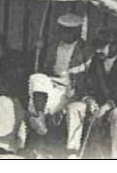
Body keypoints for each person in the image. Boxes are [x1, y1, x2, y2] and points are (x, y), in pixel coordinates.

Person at [65, 29, 117, 158]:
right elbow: (88, 85)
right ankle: (73, 151)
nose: (98, 51)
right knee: (74, 108)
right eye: (97, 47)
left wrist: (107, 107)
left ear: (114, 46)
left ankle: (116, 156)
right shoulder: (96, 61)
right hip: (98, 105)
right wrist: (89, 100)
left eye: (102, 47)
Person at [26, 14, 89, 155]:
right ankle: (40, 119)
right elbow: (45, 68)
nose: (65, 34)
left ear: (77, 31)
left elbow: (84, 74)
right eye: (62, 30)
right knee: (37, 78)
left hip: (69, 87)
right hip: (52, 82)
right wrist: (39, 49)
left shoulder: (85, 50)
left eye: (69, 31)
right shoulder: (54, 45)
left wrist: (73, 88)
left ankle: (56, 148)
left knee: (38, 104)